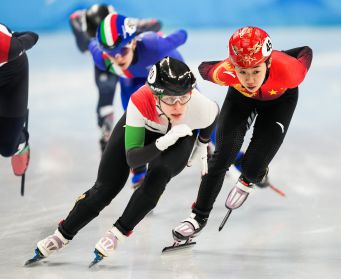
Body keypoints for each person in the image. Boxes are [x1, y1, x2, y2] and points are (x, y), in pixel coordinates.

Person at [27, 57, 218, 264]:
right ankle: (61, 235)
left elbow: (213, 114)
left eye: (183, 97)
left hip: (181, 134)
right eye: (170, 99)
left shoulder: (200, 106)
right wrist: (163, 142)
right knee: (105, 188)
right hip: (147, 130)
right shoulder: (140, 100)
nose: (178, 105)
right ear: (155, 96)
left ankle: (116, 234)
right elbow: (133, 159)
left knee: (159, 174)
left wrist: (202, 142)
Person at [172, 26, 313, 240]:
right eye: (242, 72)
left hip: (280, 101)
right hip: (241, 100)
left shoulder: (290, 71)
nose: (249, 80)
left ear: (267, 63)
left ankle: (255, 175)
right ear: (233, 67)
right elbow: (203, 68)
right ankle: (197, 216)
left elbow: (305, 51)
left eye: (256, 71)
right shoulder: (225, 72)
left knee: (252, 167)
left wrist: (279, 55)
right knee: (222, 157)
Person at [89, 12, 187, 188]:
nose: (118, 57)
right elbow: (90, 43)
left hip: (166, 70)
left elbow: (182, 34)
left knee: (192, 113)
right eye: (111, 53)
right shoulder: (101, 59)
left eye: (123, 50)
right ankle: (139, 170)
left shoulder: (153, 45)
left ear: (133, 42)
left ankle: (232, 155)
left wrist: (150, 34)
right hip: (132, 78)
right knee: (134, 120)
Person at [69, 4, 162, 153]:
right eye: (100, 40)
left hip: (127, 63)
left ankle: (142, 126)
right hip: (107, 63)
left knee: (132, 93)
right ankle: (107, 129)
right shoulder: (86, 36)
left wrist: (139, 33)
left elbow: (155, 24)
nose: (109, 45)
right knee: (107, 90)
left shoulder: (126, 27)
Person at [0, 23, 38, 176]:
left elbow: (33, 36)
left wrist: (14, 36)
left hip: (13, 73)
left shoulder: (7, 47)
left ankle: (20, 139)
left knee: (7, 148)